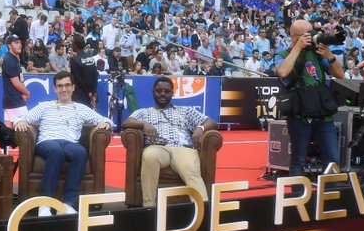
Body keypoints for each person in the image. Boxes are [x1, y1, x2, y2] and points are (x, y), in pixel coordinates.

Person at [14, 70, 112, 216]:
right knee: (56, 151)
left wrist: (105, 123)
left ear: (73, 87)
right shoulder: (45, 106)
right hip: (47, 142)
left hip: (70, 143)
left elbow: (105, 119)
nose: (64, 89)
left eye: (67, 85)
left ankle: (67, 204)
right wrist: (21, 121)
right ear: (54, 88)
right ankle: (45, 204)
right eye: (60, 86)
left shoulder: (81, 108)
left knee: (80, 152)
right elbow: (22, 118)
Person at [125, 76, 214, 205]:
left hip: (183, 149)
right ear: (153, 92)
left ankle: (202, 209)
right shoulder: (144, 112)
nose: (162, 94)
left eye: (166, 91)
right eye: (159, 90)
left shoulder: (185, 111)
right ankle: (149, 206)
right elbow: (127, 122)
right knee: (150, 157)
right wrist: (144, 124)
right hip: (157, 148)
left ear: (172, 93)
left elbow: (211, 122)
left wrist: (200, 128)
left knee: (190, 167)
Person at [275, 19, 344, 177]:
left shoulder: (316, 54)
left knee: (333, 158)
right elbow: (282, 72)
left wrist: (330, 56)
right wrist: (297, 48)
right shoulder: (283, 54)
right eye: (307, 34)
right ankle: (297, 197)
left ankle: (331, 193)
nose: (312, 37)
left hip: (322, 112)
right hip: (300, 113)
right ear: (294, 37)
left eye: (312, 33)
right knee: (299, 159)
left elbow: (340, 75)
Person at [1, 34, 30, 125]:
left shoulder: (12, 59)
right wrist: (27, 93)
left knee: (8, 133)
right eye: (16, 43)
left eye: (20, 43)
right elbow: (16, 83)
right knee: (25, 131)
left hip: (11, 100)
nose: (20, 45)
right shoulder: (10, 60)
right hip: (15, 101)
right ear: (9, 45)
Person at [68, 33, 98, 108]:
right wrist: (93, 92)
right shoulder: (91, 58)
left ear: (75, 46)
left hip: (80, 94)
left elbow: (77, 79)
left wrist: (87, 93)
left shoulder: (74, 60)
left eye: (73, 43)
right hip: (91, 92)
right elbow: (95, 75)